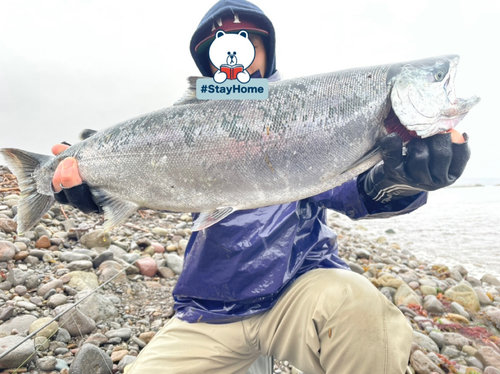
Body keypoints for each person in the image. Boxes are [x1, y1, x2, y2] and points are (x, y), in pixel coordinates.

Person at [51, 1, 471, 373]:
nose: (235, 52)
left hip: (299, 295)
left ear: (267, 52)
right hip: (208, 310)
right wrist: (97, 183)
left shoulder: (307, 122)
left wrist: (398, 180)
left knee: (361, 306)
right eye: (221, 44)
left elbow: (359, 194)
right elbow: (148, 182)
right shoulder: (189, 131)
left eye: (246, 40)